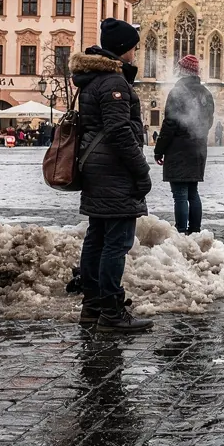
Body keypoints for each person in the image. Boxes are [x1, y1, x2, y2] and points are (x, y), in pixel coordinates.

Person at [71, 19, 154, 331]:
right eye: (133, 47)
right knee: (115, 243)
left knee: (97, 238)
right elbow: (119, 133)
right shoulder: (115, 83)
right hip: (114, 171)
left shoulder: (94, 80)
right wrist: (141, 171)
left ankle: (92, 307)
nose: (136, 52)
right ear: (123, 50)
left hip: (96, 168)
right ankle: (111, 311)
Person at [155, 53, 214, 235]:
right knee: (193, 193)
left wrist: (159, 150)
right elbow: (209, 122)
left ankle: (181, 230)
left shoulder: (178, 92)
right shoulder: (206, 93)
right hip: (197, 148)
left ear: (182, 72)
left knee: (180, 194)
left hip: (178, 149)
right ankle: (195, 230)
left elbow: (170, 123)